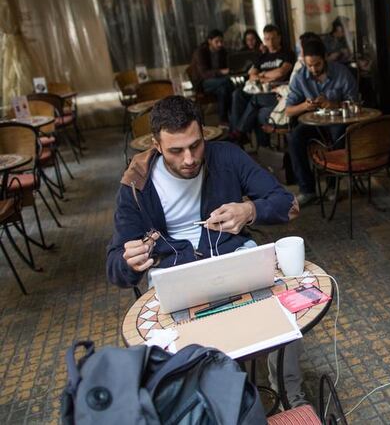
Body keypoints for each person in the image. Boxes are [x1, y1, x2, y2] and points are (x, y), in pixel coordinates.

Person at [105, 95, 309, 407]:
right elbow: (115, 268)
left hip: (234, 255)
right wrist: (127, 262)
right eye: (176, 150)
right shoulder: (136, 185)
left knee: (285, 307)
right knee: (181, 348)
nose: (189, 159)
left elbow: (285, 203)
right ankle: (210, 404)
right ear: (156, 145)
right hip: (175, 274)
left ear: (204, 134)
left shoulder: (226, 157)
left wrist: (249, 209)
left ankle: (289, 392)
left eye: (196, 145)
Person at [285, 38, 358, 206]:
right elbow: (289, 110)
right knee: (295, 138)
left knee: (338, 135)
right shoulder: (300, 76)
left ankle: (334, 186)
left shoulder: (341, 72)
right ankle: (307, 189)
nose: (313, 69)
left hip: (338, 121)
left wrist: (333, 104)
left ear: (325, 58)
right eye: (309, 65)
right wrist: (305, 105)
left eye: (317, 64)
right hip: (313, 123)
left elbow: (355, 105)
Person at [229, 25, 297, 143]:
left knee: (255, 103)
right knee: (237, 94)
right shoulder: (261, 56)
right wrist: (266, 77)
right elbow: (252, 75)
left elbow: (281, 72)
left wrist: (262, 75)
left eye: (273, 38)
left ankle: (239, 133)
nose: (270, 42)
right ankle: (238, 132)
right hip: (259, 89)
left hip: (276, 91)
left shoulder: (287, 53)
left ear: (279, 38)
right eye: (267, 39)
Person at [188, 29, 233, 124]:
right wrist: (221, 72)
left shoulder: (222, 51)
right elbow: (204, 74)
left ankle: (223, 120)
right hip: (202, 83)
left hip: (218, 82)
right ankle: (232, 115)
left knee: (224, 90)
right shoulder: (200, 52)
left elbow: (229, 63)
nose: (220, 44)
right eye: (217, 41)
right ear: (209, 41)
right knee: (228, 82)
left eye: (221, 41)